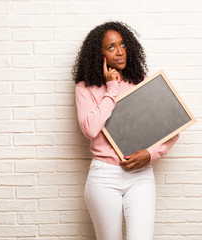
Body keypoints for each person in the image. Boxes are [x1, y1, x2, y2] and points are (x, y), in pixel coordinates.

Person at [72, 21, 179, 240]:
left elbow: (172, 128)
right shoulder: (85, 89)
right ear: (98, 54)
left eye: (122, 45)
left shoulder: (142, 83)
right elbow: (90, 129)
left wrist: (151, 154)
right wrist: (111, 89)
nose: (120, 52)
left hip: (140, 177)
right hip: (104, 177)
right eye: (111, 47)